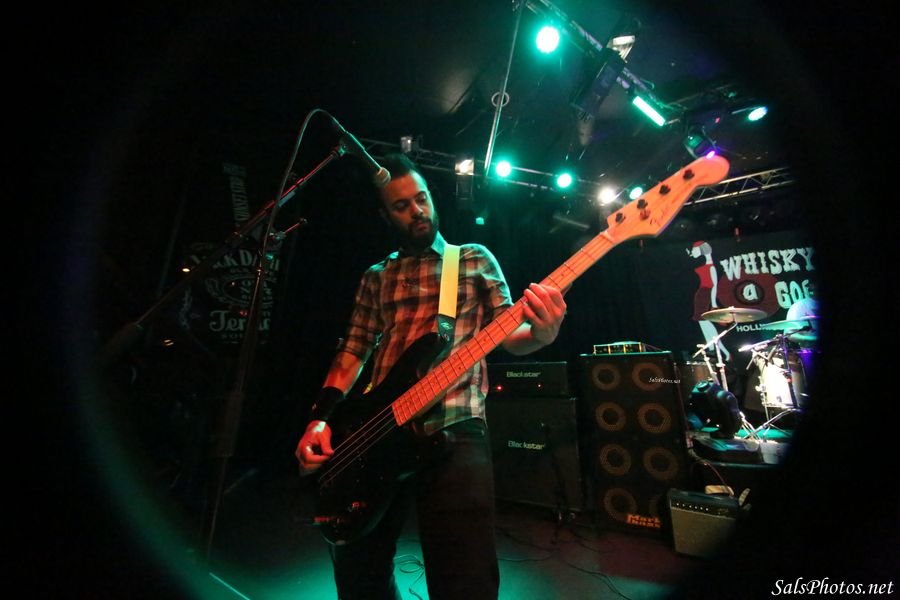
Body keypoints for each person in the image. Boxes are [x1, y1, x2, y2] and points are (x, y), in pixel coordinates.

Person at [295, 153, 567, 599]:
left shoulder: (474, 259)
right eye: (401, 206)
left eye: (421, 198)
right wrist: (320, 418)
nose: (416, 210)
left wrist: (542, 333)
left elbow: (509, 334)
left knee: (465, 579)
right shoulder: (376, 276)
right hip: (375, 431)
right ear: (385, 215)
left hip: (455, 425)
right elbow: (352, 351)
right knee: (359, 573)